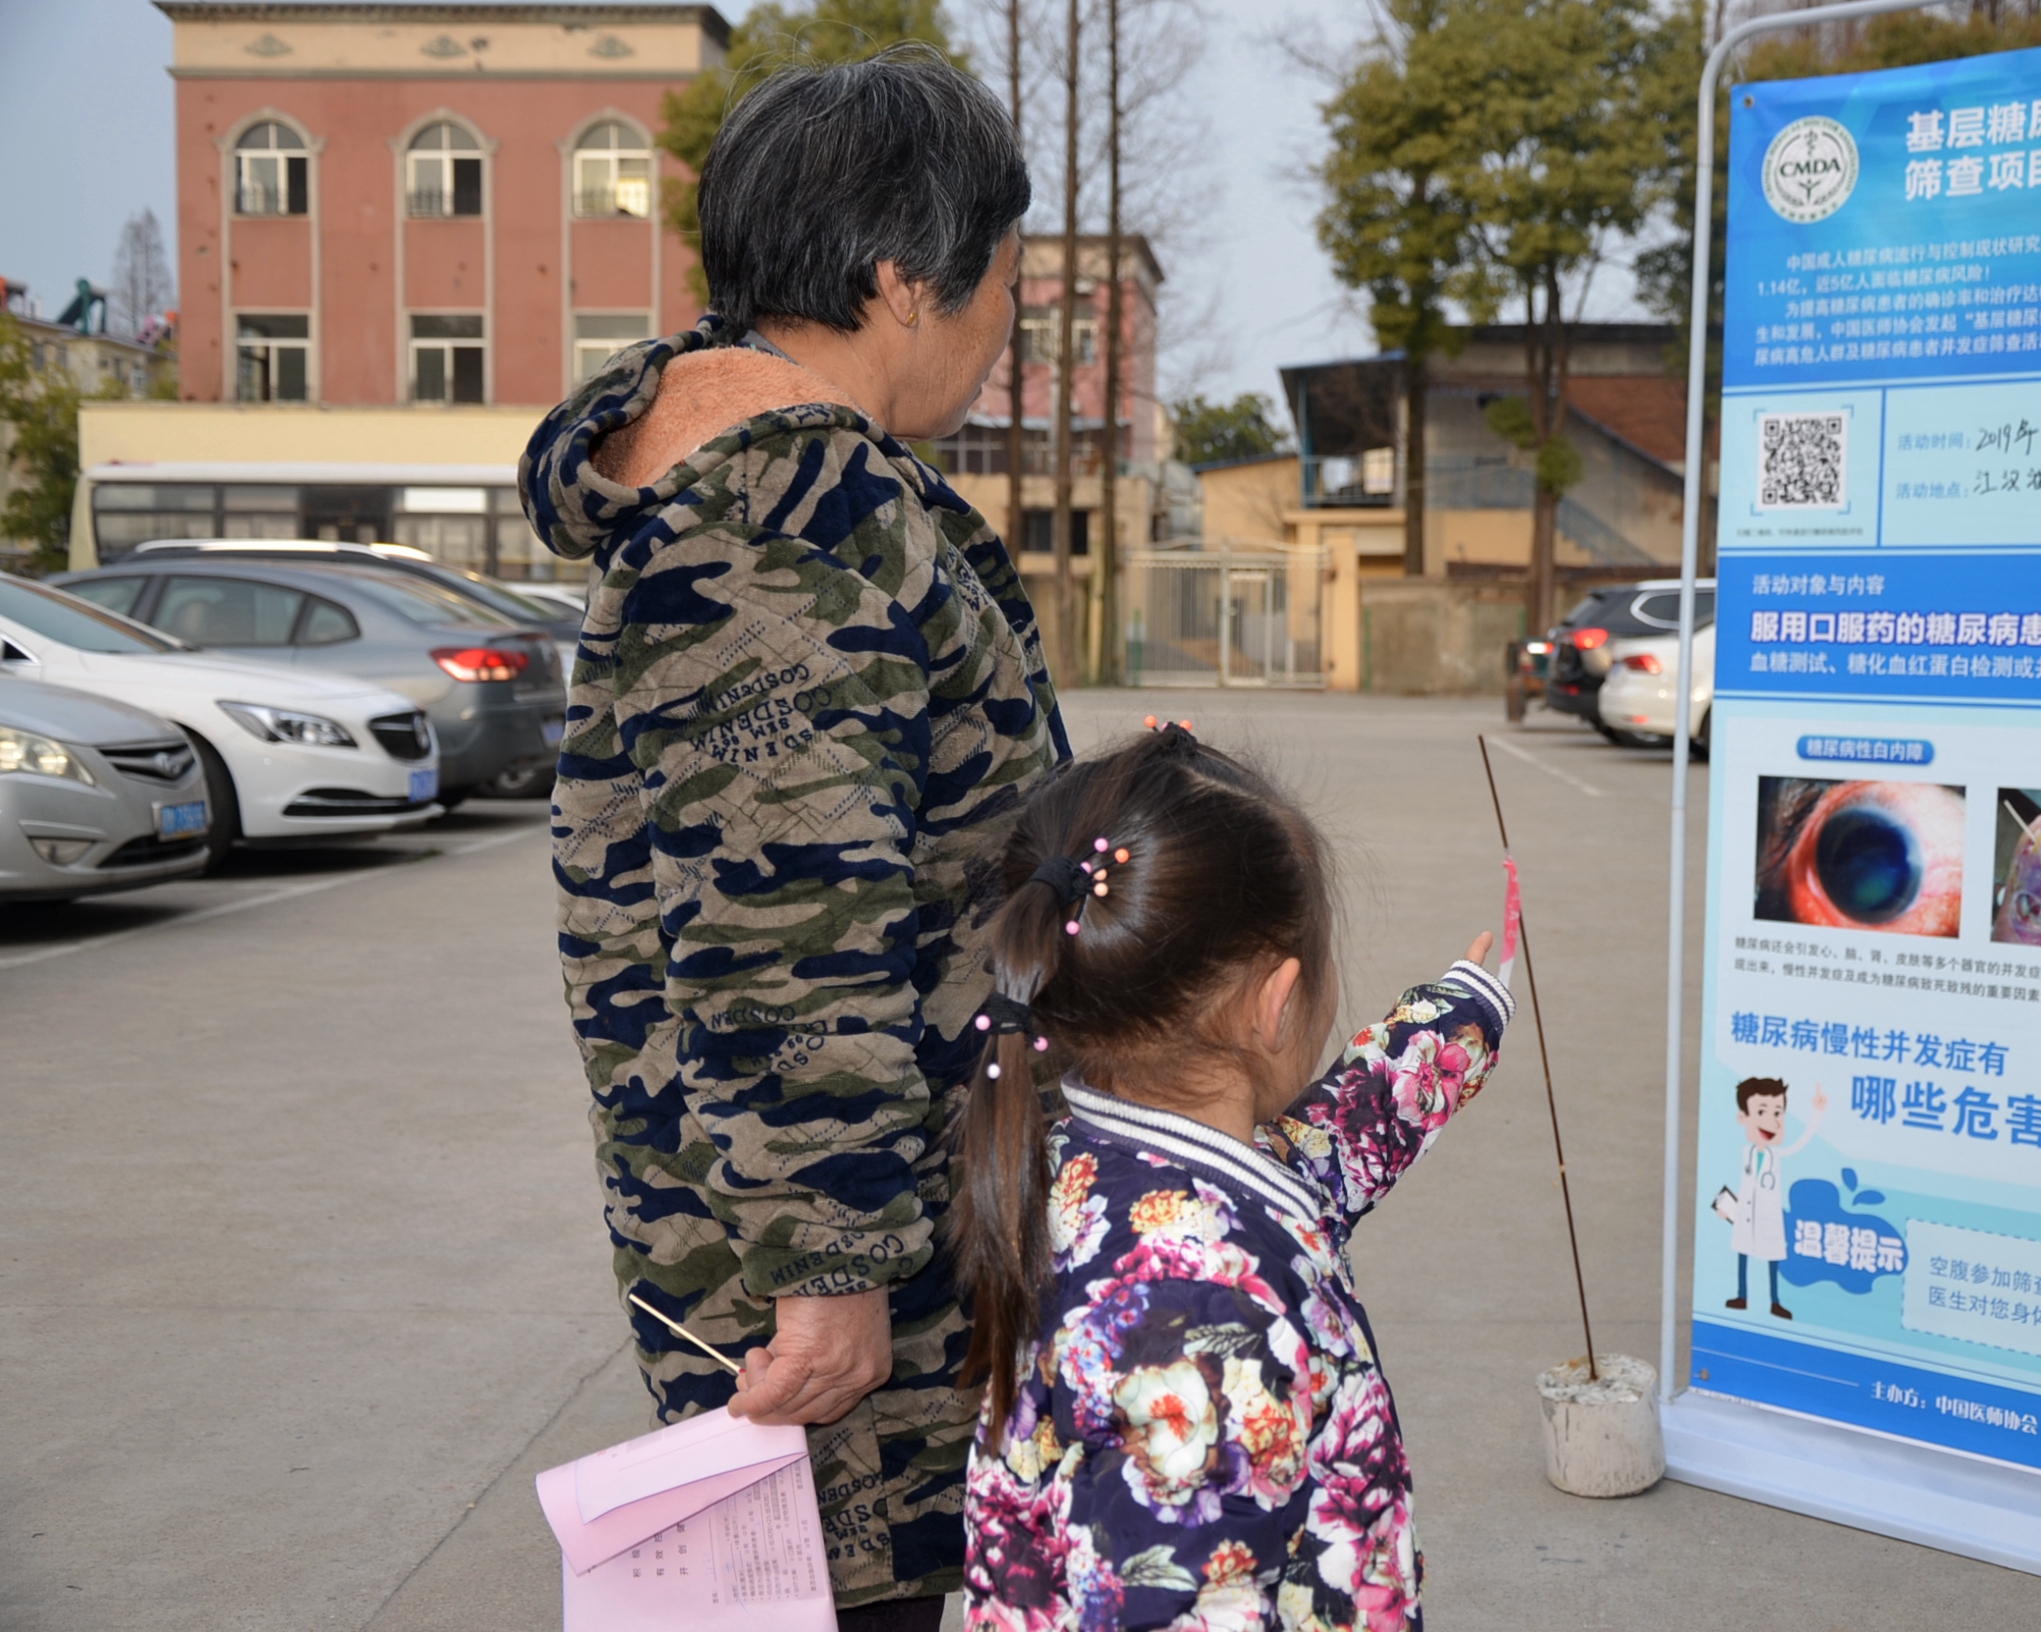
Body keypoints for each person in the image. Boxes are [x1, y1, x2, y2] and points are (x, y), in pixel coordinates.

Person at [519, 47, 1061, 1629]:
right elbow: (785, 927)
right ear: (903, 280)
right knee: (841, 1594)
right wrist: (831, 1278)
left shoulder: (785, 490)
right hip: (834, 1262)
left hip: (854, 1205)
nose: (1007, 324)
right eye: (1005, 284)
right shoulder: (786, 517)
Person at [953, 727, 1516, 1630]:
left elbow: (1324, 1153)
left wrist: (1458, 1020)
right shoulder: (1207, 1334)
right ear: (1277, 1002)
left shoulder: (1097, 1164)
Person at [1724, 1075, 1826, 1320]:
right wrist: (1726, 1207)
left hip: (1768, 1218)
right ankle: (1742, 1296)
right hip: (1746, 1215)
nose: (1772, 1121)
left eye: (1778, 1113)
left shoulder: (1776, 1156)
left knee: (1772, 1258)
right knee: (1743, 1254)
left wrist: (1816, 1114)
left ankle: (1775, 1302)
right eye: (1762, 1112)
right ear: (1743, 1118)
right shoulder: (1746, 1153)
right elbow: (1741, 1185)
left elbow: (1800, 1144)